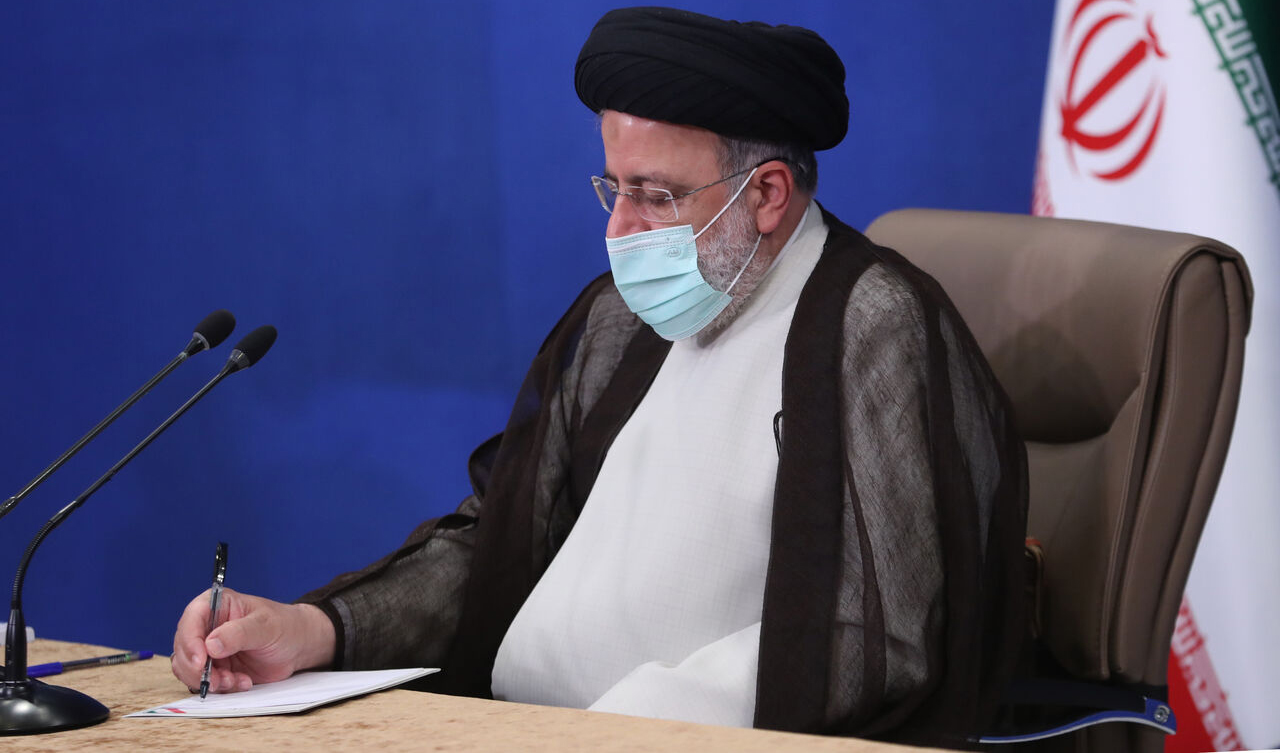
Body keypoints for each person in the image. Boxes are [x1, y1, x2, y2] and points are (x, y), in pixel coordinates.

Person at [171, 6, 1026, 747]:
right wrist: (316, 627)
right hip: (520, 728)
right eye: (613, 187)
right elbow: (499, 542)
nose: (620, 230)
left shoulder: (869, 323)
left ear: (768, 194)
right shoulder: (623, 319)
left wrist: (627, 727)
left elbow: (879, 632)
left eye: (655, 195)